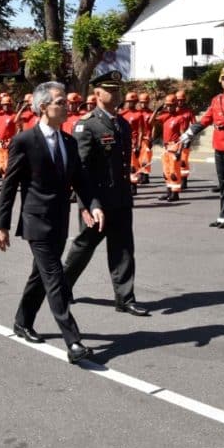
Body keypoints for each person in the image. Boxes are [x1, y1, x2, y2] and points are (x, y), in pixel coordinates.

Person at [0, 82, 104, 363]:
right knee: (55, 277)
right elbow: (10, 185)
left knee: (39, 276)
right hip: (36, 222)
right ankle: (74, 342)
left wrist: (93, 205)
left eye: (66, 102)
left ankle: (22, 320)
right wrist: (1, 225)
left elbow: (80, 180)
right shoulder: (24, 141)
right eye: (60, 102)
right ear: (43, 107)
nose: (67, 106)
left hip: (59, 221)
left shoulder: (68, 141)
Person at [62, 71, 150, 316]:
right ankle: (62, 286)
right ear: (97, 94)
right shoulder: (86, 125)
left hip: (120, 198)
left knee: (123, 249)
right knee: (83, 246)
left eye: (118, 89)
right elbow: (80, 169)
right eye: (111, 90)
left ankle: (125, 298)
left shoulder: (122, 124)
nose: (116, 94)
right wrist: (86, 204)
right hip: (96, 200)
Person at [181, 65, 224, 228]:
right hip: (219, 140)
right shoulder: (217, 99)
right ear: (221, 81)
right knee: (222, 181)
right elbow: (206, 118)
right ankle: (222, 214)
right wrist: (190, 131)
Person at [154, 94, 188, 202]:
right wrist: (157, 110)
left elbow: (183, 136)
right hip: (166, 147)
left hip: (175, 146)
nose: (169, 108)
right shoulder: (165, 117)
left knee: (174, 172)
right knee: (166, 171)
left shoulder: (180, 118)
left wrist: (179, 151)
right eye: (167, 106)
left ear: (175, 105)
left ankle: (175, 194)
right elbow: (151, 122)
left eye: (171, 105)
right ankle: (168, 192)